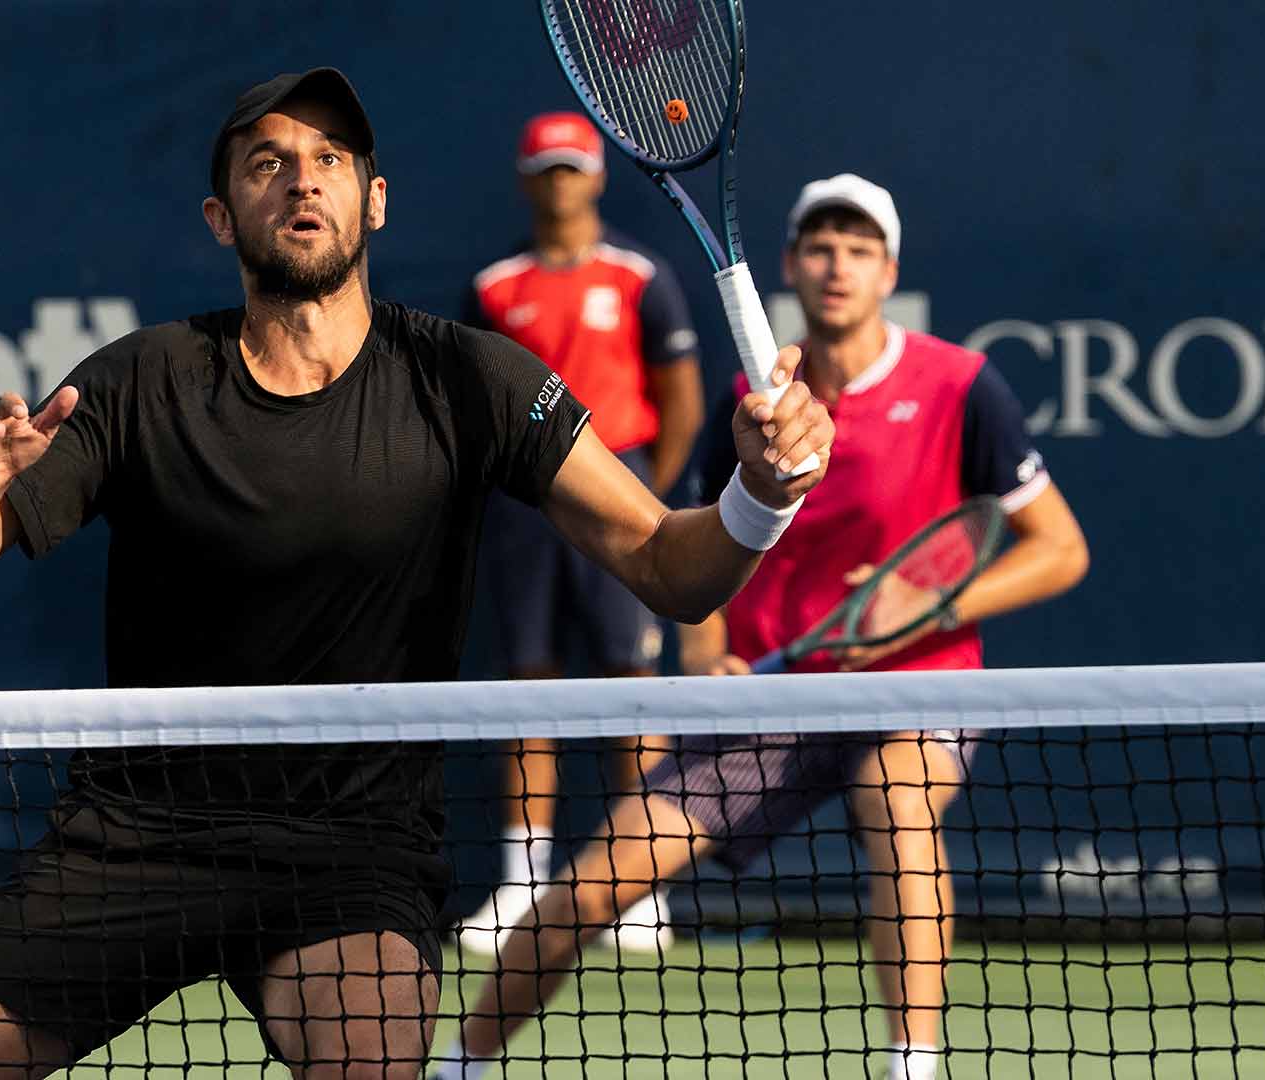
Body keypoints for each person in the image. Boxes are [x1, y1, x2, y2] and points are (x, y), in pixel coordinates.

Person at [0, 68, 833, 1080]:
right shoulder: (141, 378)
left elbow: (670, 568)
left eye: (330, 159)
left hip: (353, 854)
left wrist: (760, 494)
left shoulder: (470, 378)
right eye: (267, 162)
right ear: (221, 216)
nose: (301, 181)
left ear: (373, 199)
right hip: (138, 837)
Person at [433, 173, 1089, 1080]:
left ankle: (914, 1068)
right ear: (791, 262)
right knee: (588, 889)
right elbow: (698, 558)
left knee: (897, 808)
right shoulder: (753, 401)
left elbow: (1059, 549)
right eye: (821, 246)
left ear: (888, 269)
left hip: (919, 686)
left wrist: (928, 605)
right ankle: (459, 1066)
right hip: (777, 696)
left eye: (859, 250)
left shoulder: (963, 385)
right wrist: (710, 660)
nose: (837, 266)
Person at [457, 112, 705, 956]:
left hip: (623, 493)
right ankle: (523, 884)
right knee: (528, 690)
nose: (562, 181)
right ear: (529, 180)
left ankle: (637, 890)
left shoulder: (641, 276)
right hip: (525, 512)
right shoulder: (493, 288)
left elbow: (681, 403)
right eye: (548, 169)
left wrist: (647, 504)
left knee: (633, 686)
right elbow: (475, 410)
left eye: (575, 167)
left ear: (597, 176)